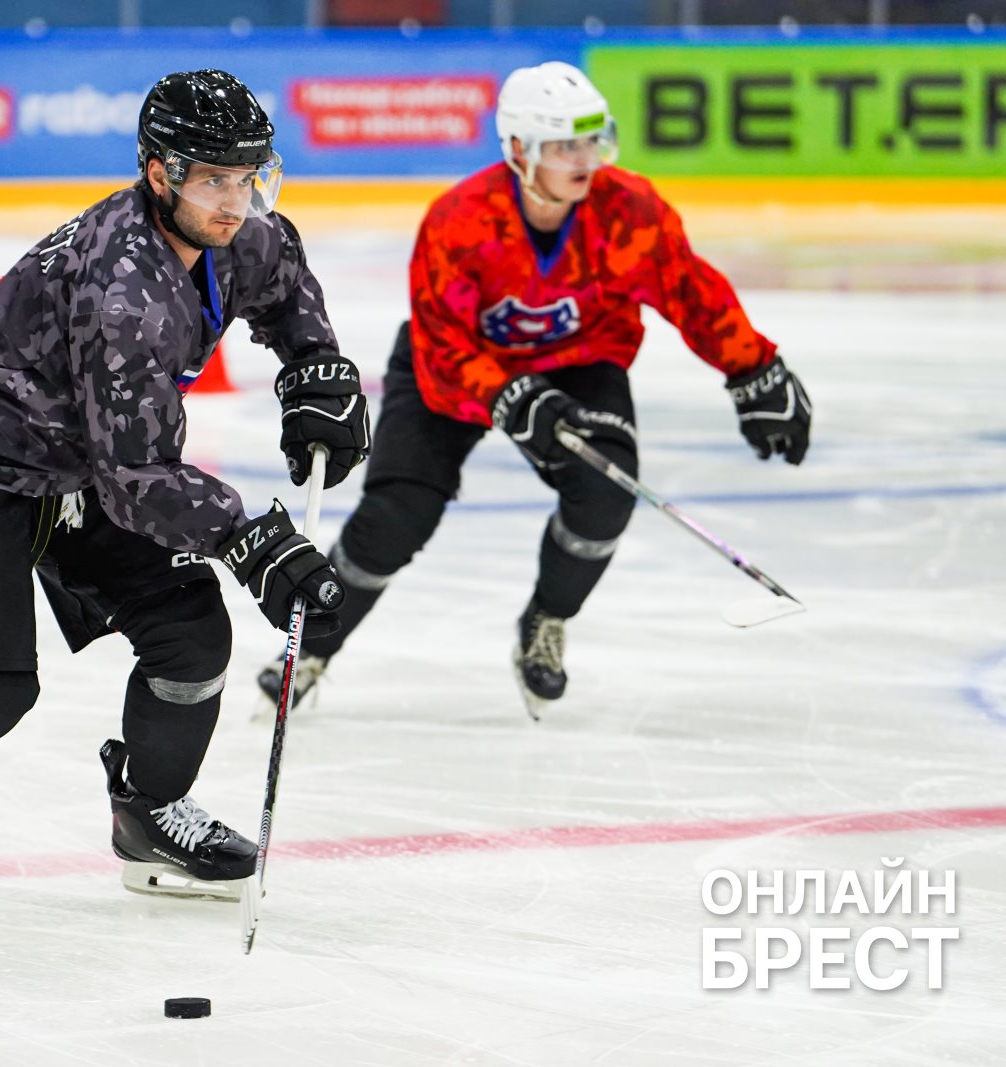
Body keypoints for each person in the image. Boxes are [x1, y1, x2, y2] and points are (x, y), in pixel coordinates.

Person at [0, 69, 370, 899]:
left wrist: (316, 368)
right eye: (212, 180)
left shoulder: (241, 232)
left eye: (250, 176)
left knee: (190, 631)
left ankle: (149, 813)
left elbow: (282, 280)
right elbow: (134, 479)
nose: (235, 202)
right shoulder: (124, 290)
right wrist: (250, 536)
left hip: (74, 459)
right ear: (158, 173)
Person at [257, 61, 812, 719]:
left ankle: (546, 619)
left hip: (578, 362)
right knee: (395, 519)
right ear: (519, 151)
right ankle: (317, 643)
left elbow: (689, 289)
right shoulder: (460, 221)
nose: (584, 160)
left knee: (606, 495)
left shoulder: (629, 209)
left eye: (593, 141)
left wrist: (753, 369)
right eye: (563, 146)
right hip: (454, 369)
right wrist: (509, 395)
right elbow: (441, 347)